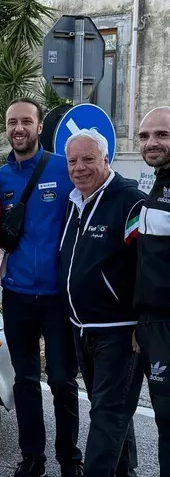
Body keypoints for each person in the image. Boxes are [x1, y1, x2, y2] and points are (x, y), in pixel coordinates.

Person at [0, 99, 82, 477]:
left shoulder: (65, 169)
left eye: (26, 121)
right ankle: (32, 458)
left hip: (60, 298)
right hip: (17, 296)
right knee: (26, 381)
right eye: (12, 122)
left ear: (39, 126)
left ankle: (69, 460)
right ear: (7, 128)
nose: (19, 128)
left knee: (62, 380)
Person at [58, 129, 145, 477]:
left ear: (106, 160)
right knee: (110, 409)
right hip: (83, 329)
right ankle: (125, 472)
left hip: (119, 332)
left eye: (88, 159)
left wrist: (142, 320)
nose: (79, 168)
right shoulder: (74, 201)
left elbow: (147, 265)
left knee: (106, 416)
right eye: (73, 161)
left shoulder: (130, 200)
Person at [134, 106, 170, 476]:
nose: (151, 143)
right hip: (151, 324)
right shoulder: (156, 181)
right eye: (145, 136)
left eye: (162, 135)